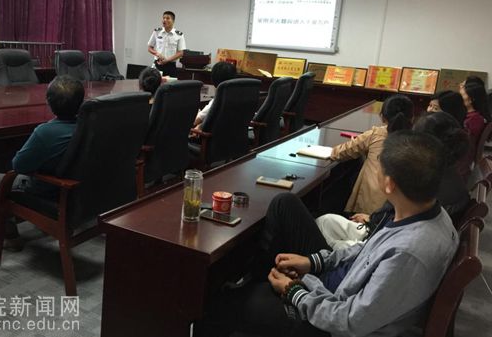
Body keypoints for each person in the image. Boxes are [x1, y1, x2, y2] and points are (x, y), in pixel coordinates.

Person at [196, 131, 458, 337]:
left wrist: (293, 292)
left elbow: (350, 321)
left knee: (221, 304)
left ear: (389, 184)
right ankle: (260, 281)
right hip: (334, 286)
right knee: (285, 203)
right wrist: (313, 262)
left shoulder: (409, 253)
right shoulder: (421, 210)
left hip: (329, 322)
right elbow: (365, 251)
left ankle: (255, 292)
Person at [318, 111, 470, 250]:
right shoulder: (448, 177)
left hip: (376, 244)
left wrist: (373, 222)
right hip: (380, 233)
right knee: (325, 221)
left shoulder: (423, 182)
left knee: (318, 230)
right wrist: (372, 219)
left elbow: (394, 235)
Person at [0, 75, 84, 250]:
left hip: (48, 189)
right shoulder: (87, 126)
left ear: (48, 102)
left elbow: (18, 166)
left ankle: (8, 237)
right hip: (77, 188)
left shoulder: (45, 132)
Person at [329, 94, 414, 214]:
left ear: (382, 117)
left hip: (370, 204)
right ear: (412, 118)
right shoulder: (417, 141)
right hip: (401, 208)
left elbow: (340, 152)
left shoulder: (376, 134)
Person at [193, 61, 237, 128]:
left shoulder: (218, 101)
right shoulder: (239, 98)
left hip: (210, 134)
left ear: (213, 79)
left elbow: (195, 121)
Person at [147, 11, 186, 77]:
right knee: (154, 82)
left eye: (168, 18)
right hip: (158, 64)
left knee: (171, 83)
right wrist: (157, 54)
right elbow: (149, 48)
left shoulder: (179, 35)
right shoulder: (157, 32)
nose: (164, 20)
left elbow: (180, 53)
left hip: (170, 65)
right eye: (163, 18)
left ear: (173, 21)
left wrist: (167, 60)